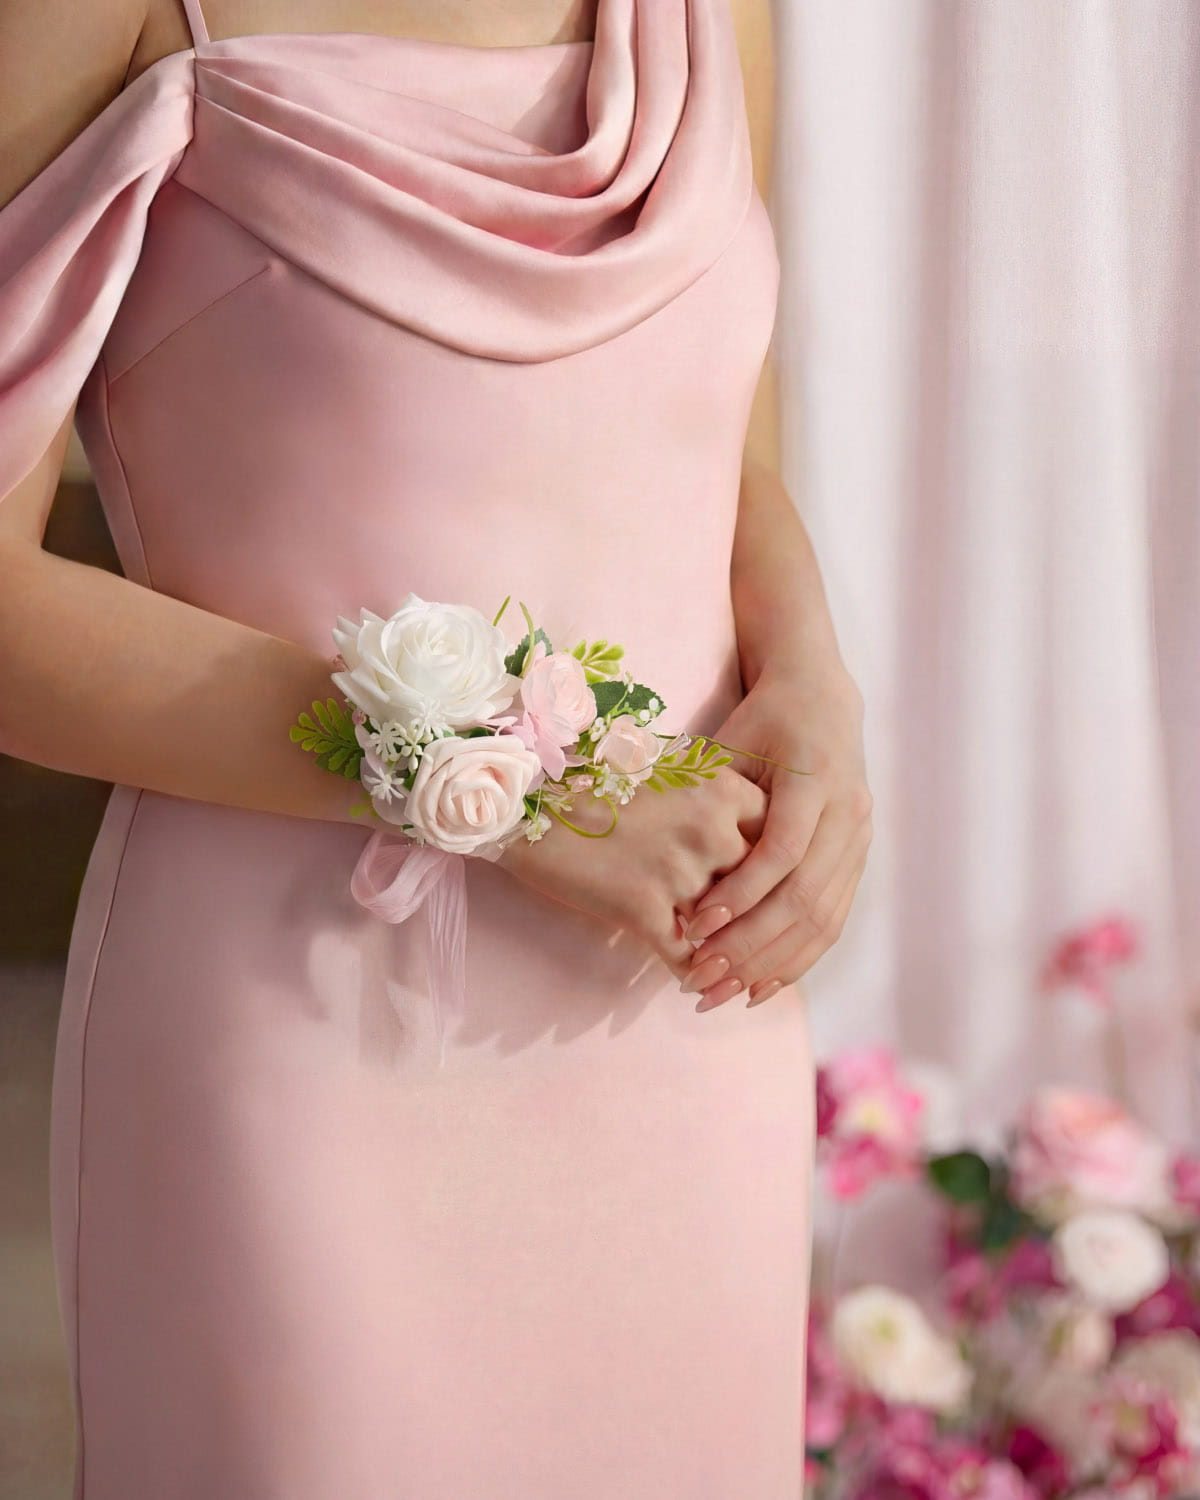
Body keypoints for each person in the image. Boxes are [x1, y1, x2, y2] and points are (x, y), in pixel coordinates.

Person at [0, 0, 872, 1493]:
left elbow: (714, 448)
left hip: (678, 1019)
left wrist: (815, 682)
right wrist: (506, 788)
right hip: (308, 1031)